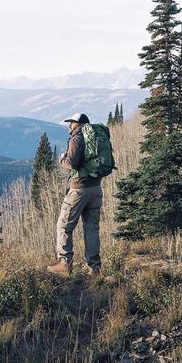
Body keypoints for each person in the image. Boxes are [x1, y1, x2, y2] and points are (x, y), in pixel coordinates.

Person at [47, 112, 103, 276]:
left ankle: (64, 263)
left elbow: (72, 163)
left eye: (71, 123)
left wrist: (62, 159)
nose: (69, 126)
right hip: (96, 188)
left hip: (79, 190)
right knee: (91, 228)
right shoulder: (97, 138)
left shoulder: (77, 138)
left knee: (64, 226)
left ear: (78, 123)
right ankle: (95, 268)